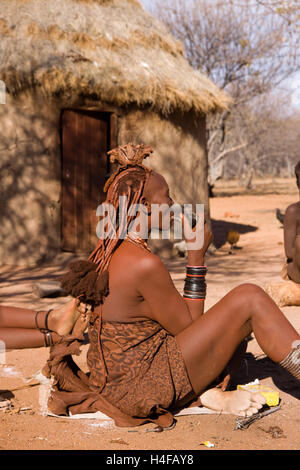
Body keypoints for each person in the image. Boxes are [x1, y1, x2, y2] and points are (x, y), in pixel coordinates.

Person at [1, 144, 300, 429]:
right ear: (144, 206)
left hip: (120, 382)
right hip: (140, 389)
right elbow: (190, 327)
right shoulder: (143, 264)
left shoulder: (112, 248)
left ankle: (210, 391)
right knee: (250, 297)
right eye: (166, 197)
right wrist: (196, 259)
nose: (171, 204)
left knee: (236, 329)